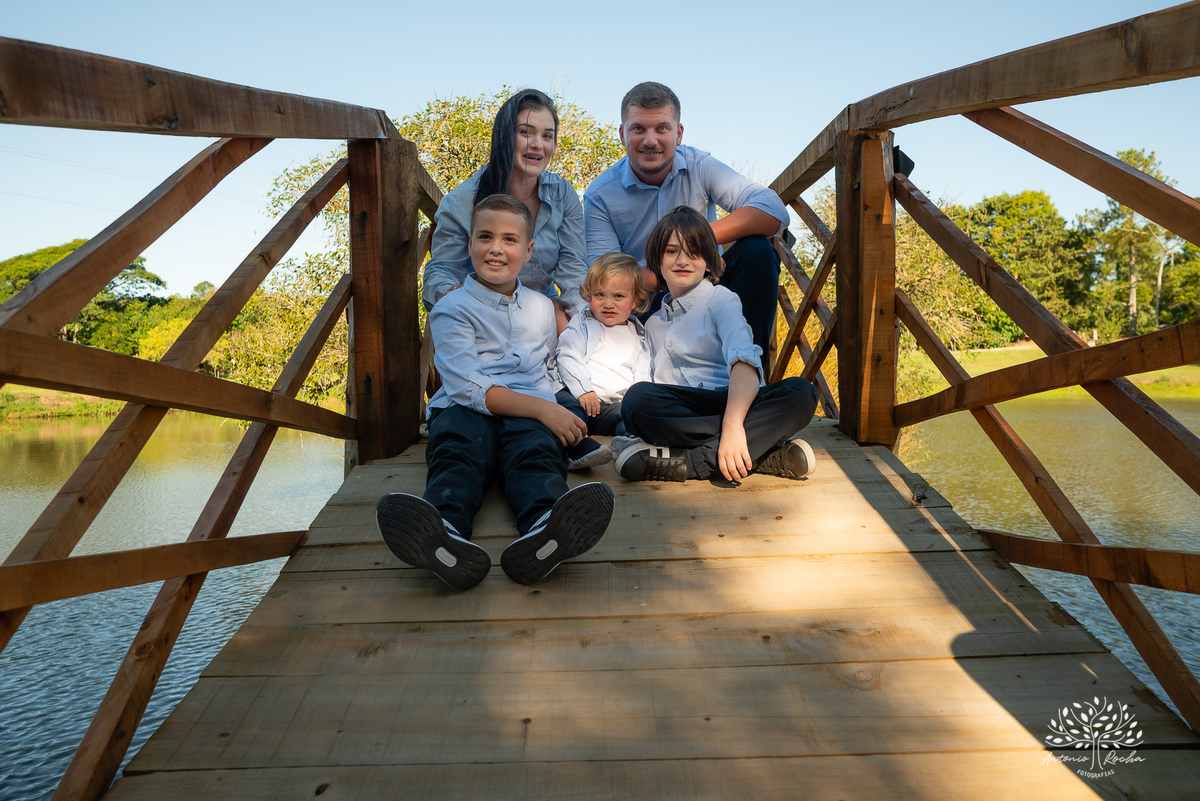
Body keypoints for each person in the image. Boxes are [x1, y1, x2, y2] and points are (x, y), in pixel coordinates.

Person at [378, 194, 614, 590]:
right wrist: (544, 410)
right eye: (485, 237)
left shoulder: (541, 307)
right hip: (465, 406)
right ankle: (444, 531)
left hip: (528, 409)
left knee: (536, 452)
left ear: (528, 249)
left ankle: (545, 527)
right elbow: (468, 386)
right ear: (470, 243)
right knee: (459, 450)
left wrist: (557, 409)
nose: (496, 249)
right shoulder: (451, 309)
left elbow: (549, 367)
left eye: (509, 239)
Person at [615, 206, 819, 484]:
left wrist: (734, 424)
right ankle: (763, 454)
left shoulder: (721, 301)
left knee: (802, 393)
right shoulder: (652, 324)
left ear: (710, 263)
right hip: (686, 411)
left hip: (735, 401)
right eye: (672, 251)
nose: (682, 260)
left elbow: (744, 359)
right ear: (657, 262)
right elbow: (645, 378)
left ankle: (689, 462)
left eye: (694, 251)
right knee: (636, 402)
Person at [583, 81, 789, 351]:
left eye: (662, 128)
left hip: (710, 284)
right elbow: (606, 275)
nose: (650, 140)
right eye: (638, 129)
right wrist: (675, 273)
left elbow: (773, 209)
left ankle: (749, 369)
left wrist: (699, 241)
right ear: (622, 133)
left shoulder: (699, 165)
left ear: (678, 133)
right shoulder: (600, 194)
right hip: (647, 300)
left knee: (758, 252)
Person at [423, 89, 587, 331]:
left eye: (547, 136)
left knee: (572, 327)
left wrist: (587, 322)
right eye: (525, 132)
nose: (538, 145)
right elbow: (441, 271)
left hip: (542, 310)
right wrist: (455, 298)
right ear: (504, 136)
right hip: (483, 311)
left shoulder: (562, 195)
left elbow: (574, 273)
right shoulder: (462, 201)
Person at [556, 252, 652, 454]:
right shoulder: (582, 324)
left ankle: (630, 446)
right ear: (589, 294)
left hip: (613, 406)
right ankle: (578, 447)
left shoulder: (638, 334)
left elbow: (643, 374)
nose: (608, 303)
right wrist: (583, 390)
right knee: (563, 404)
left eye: (618, 296)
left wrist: (634, 402)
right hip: (580, 396)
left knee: (628, 417)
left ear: (634, 301)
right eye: (600, 294)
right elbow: (567, 355)